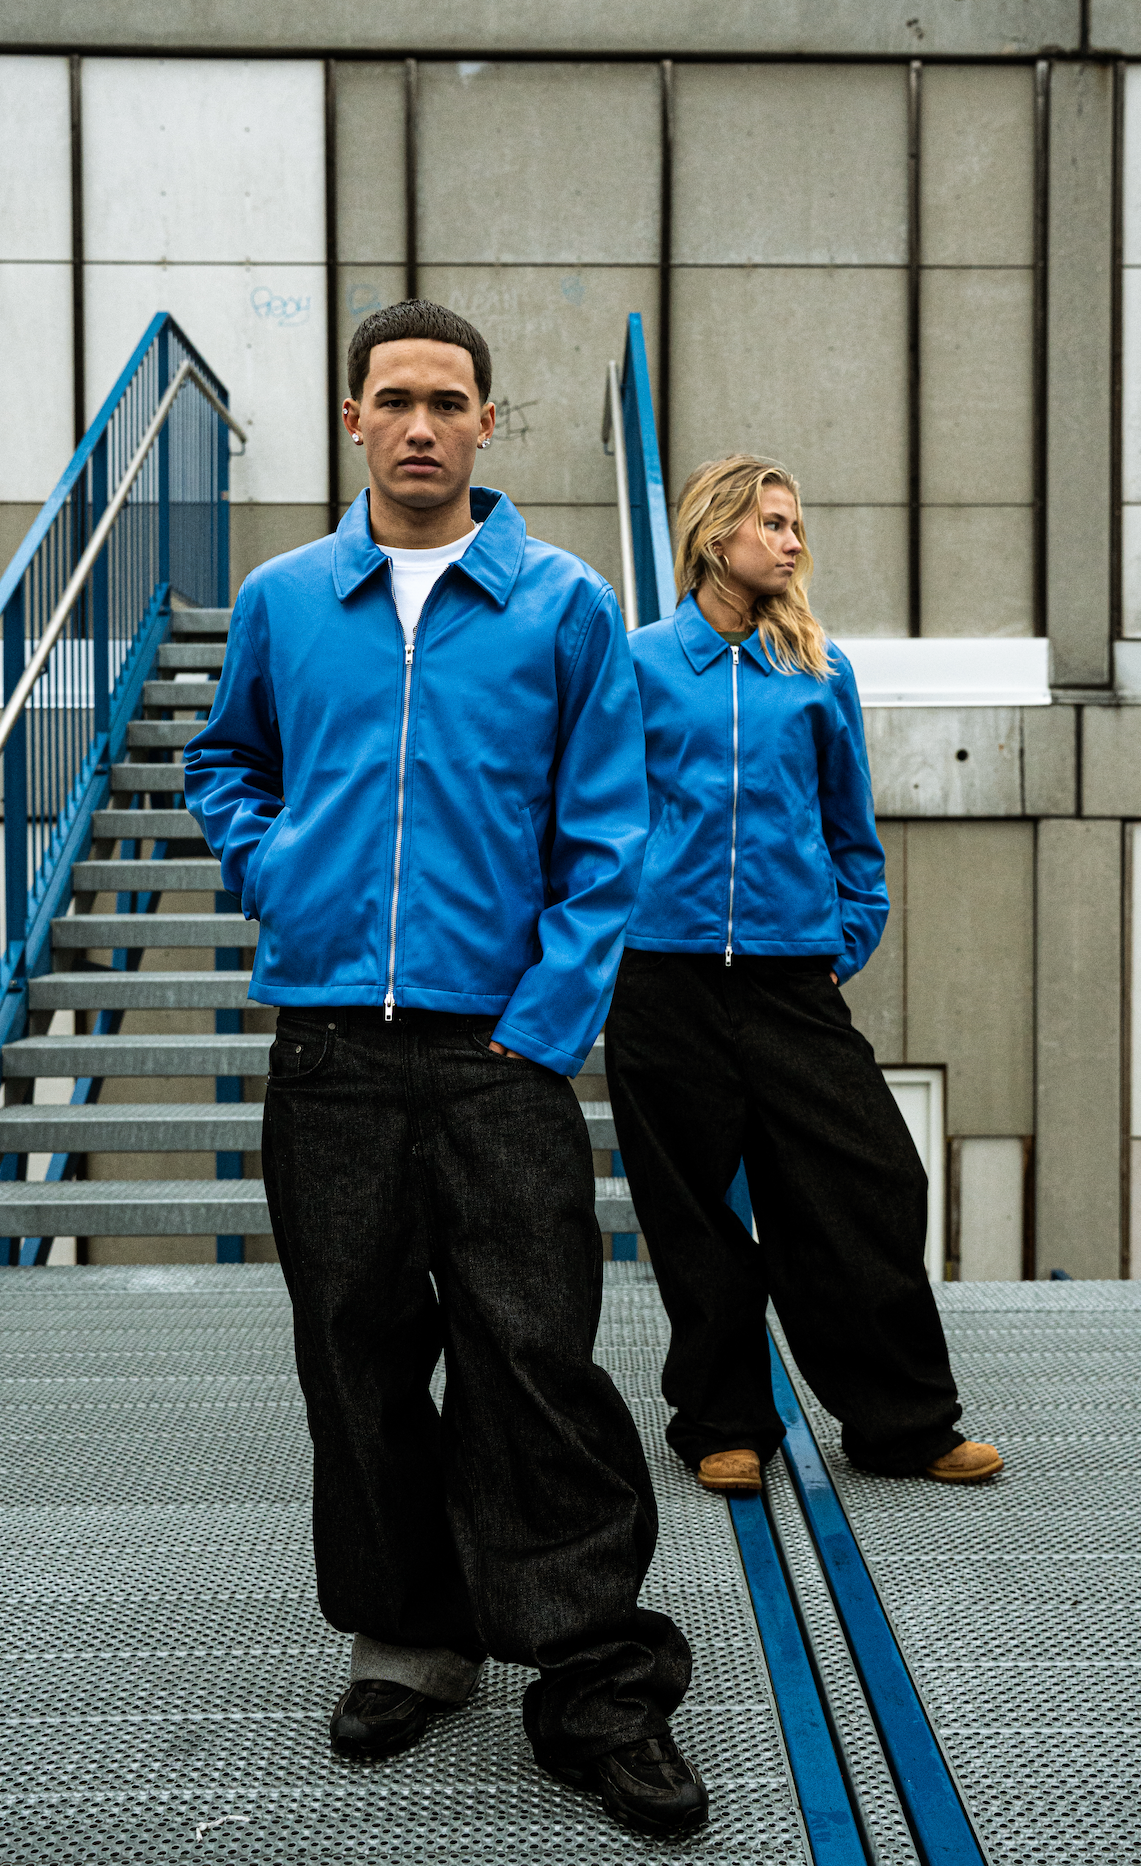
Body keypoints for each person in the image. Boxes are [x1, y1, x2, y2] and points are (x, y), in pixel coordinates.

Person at [183, 300, 708, 1838]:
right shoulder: (285, 600)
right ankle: (410, 1634)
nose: (420, 423)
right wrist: (276, 868)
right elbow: (226, 761)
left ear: (489, 419)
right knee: (353, 1355)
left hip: (498, 1052)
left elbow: (609, 833)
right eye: (394, 397)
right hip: (328, 1046)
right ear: (353, 415)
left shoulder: (560, 607)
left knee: (532, 1359)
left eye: (447, 400)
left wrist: (543, 1021)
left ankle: (595, 1681)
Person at [604, 454, 1002, 1496]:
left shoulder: (818, 669)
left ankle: (902, 1423)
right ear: (715, 536)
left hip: (790, 980)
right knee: (692, 1214)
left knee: (872, 1183)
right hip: (664, 978)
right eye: (772, 523)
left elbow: (849, 825)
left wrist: (842, 941)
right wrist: (613, 938)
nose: (792, 542)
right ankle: (723, 1422)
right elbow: (601, 816)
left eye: (794, 525)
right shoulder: (639, 664)